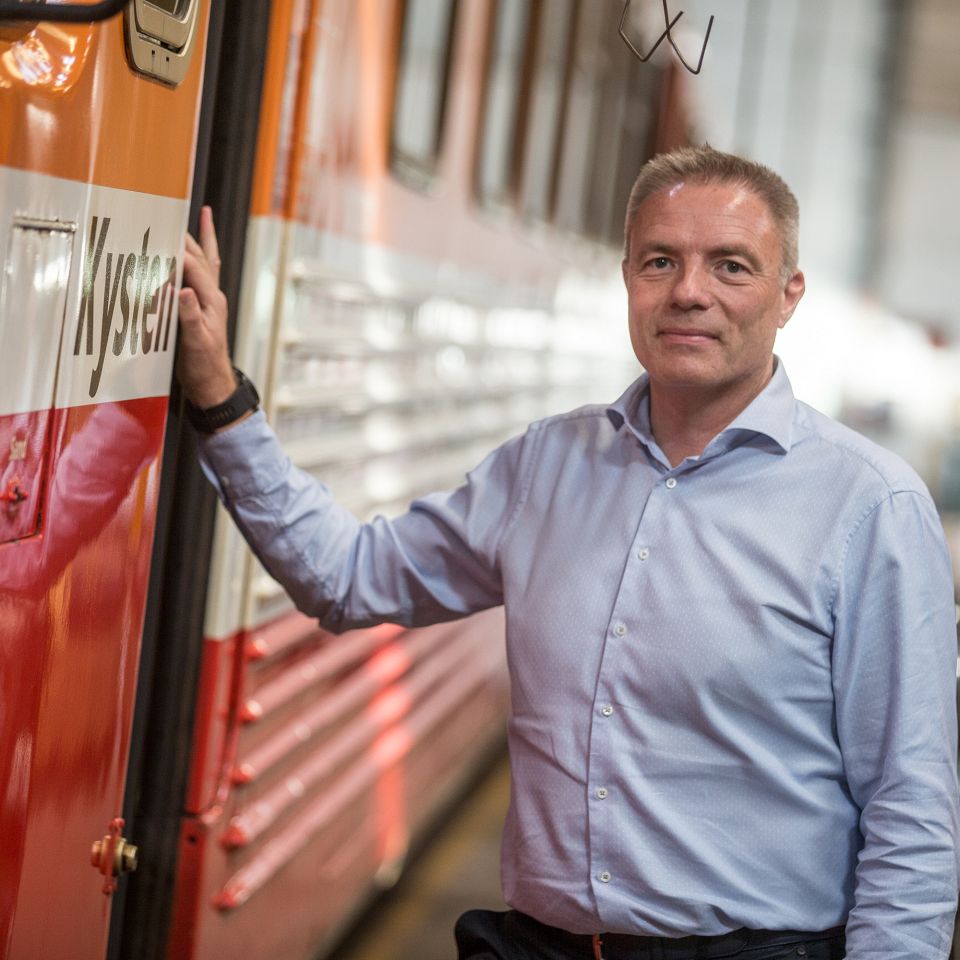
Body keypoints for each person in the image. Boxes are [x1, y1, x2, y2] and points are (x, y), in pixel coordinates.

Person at [178, 146, 959, 960]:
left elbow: (910, 812)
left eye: (731, 266)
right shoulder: (548, 466)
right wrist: (220, 401)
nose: (689, 292)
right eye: (662, 261)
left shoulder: (872, 508)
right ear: (627, 277)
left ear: (788, 294)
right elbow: (348, 578)